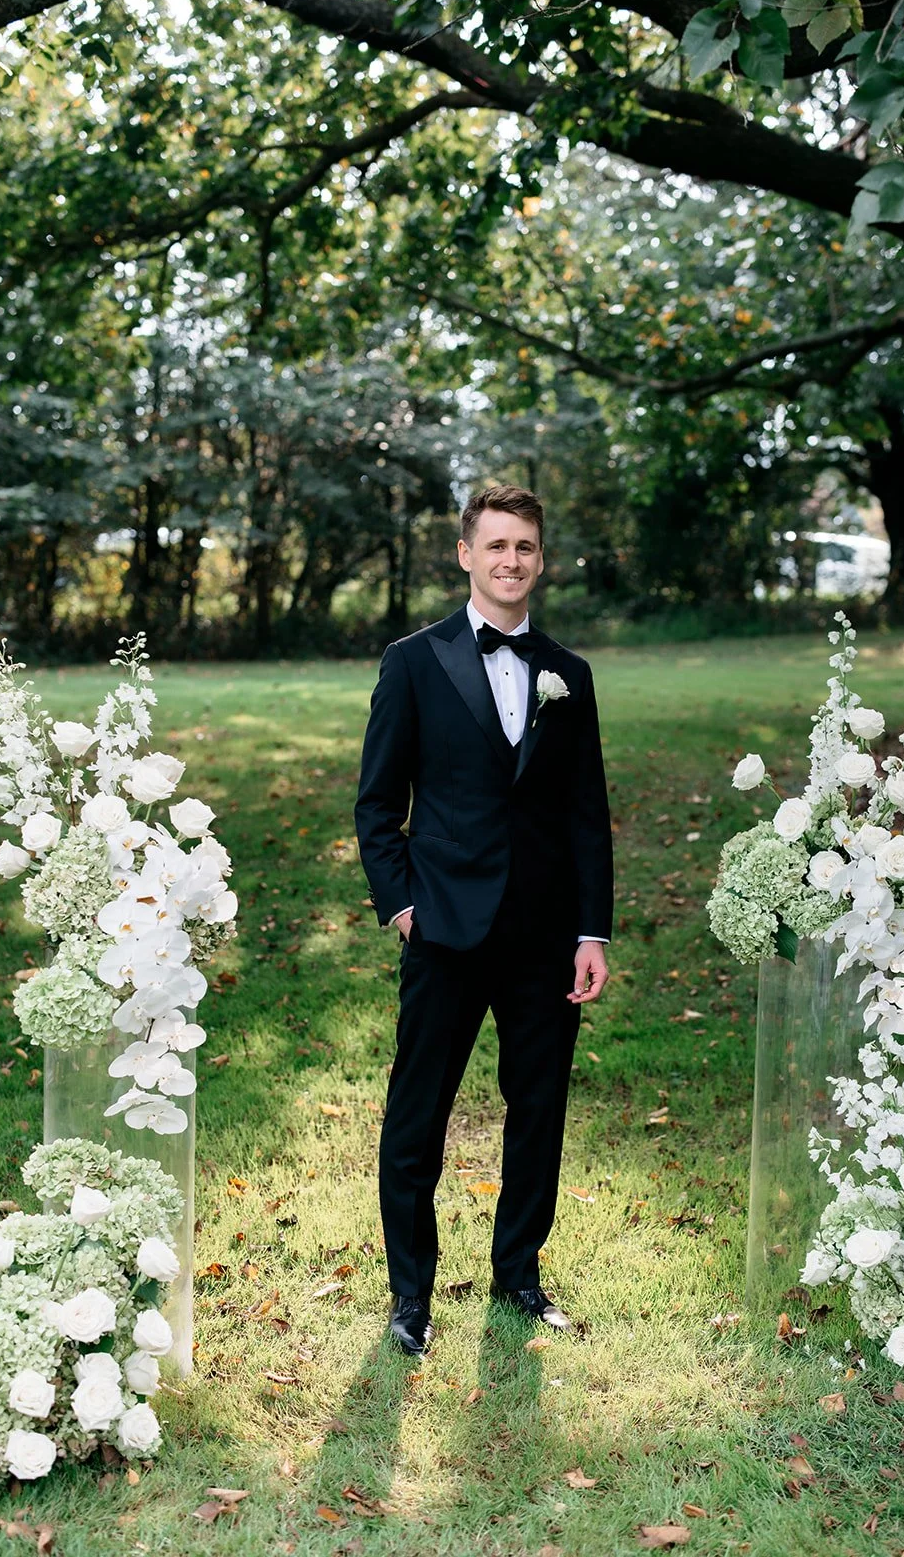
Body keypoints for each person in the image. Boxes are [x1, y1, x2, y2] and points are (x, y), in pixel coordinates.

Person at [354, 484, 614, 1356]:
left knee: (536, 1108)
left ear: (541, 560)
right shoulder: (413, 662)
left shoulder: (567, 675)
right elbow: (377, 804)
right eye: (496, 545)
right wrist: (401, 905)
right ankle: (410, 1296)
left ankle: (518, 1276)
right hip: (444, 928)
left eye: (527, 547)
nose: (512, 560)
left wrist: (590, 932)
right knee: (416, 1113)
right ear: (465, 554)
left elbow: (585, 812)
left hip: (543, 935)